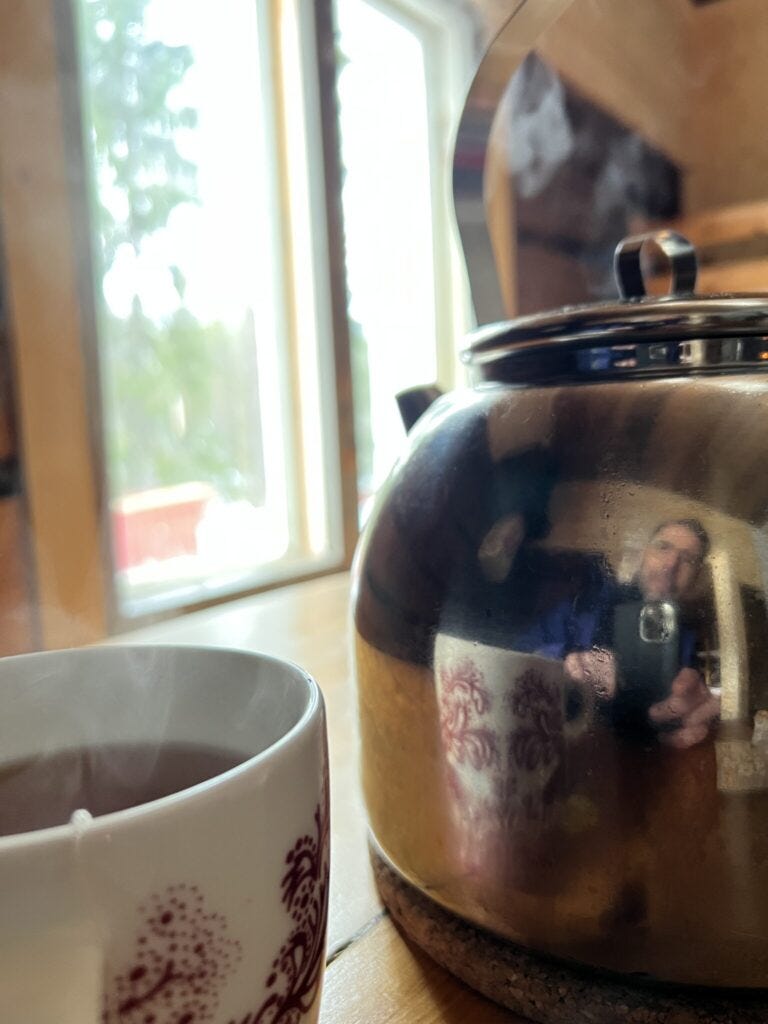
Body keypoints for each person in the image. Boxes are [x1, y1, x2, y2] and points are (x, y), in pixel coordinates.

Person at [530, 520, 720, 749]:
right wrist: (565, 662)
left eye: (688, 559)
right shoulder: (584, 604)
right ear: (644, 554)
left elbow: (694, 705)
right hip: (567, 746)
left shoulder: (689, 641)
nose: (671, 564)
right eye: (663, 547)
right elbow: (517, 652)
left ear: (696, 576)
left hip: (645, 757)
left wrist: (697, 714)